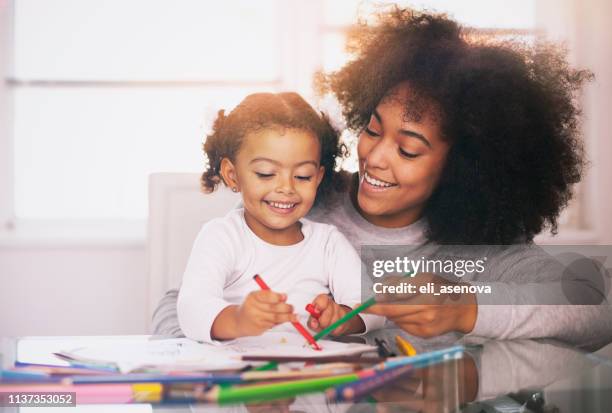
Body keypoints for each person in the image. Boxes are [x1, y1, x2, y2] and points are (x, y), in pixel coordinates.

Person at [155, 9, 612, 349]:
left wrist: (468, 309)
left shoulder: (477, 243)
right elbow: (179, 306)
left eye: (409, 149)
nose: (375, 156)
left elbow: (596, 307)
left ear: (464, 165)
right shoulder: (307, 198)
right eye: (373, 129)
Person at [177, 92, 382, 342]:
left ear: (318, 178)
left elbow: (373, 308)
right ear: (232, 175)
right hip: (238, 373)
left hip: (308, 374)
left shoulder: (327, 243)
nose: (286, 188)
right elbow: (192, 308)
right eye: (266, 174)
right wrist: (239, 320)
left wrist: (342, 318)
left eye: (303, 176)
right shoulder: (221, 236)